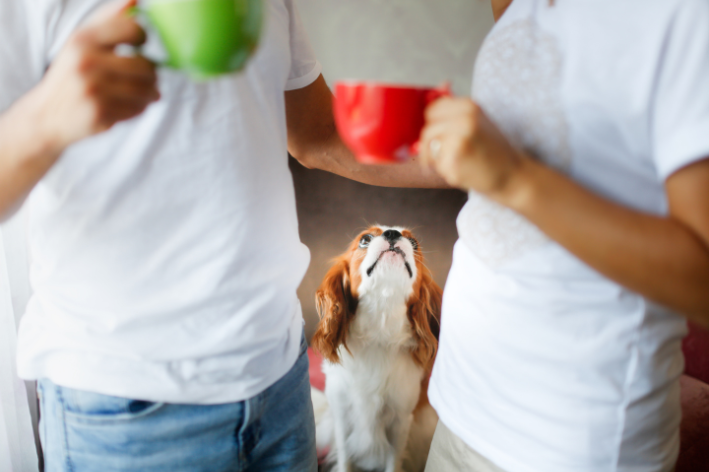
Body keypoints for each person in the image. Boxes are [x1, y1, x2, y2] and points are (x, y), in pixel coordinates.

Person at [288, 0, 709, 471]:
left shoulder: (685, 16)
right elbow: (317, 138)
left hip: (573, 447)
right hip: (461, 414)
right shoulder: (515, 9)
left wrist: (514, 179)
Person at [1, 0, 330, 470]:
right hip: (125, 413)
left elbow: (318, 135)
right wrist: (45, 119)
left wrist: (472, 163)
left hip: (280, 380)